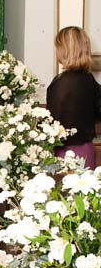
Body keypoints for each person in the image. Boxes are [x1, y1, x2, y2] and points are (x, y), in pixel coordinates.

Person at [47, 25, 101, 169]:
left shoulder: (60, 83)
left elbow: (53, 123)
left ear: (64, 50)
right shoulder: (89, 79)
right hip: (87, 149)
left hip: (66, 152)